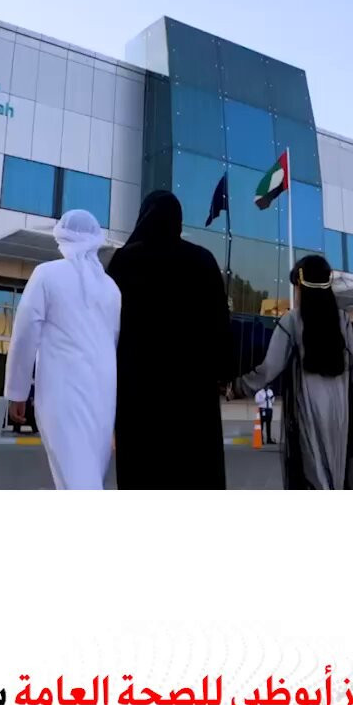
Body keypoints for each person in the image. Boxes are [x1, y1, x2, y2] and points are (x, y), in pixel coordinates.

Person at [108, 191, 233, 489]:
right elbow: (221, 326)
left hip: (139, 397)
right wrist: (223, 373)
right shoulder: (202, 260)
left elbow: (106, 330)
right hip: (193, 397)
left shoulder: (124, 262)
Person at [234, 254, 353, 490]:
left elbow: (269, 369)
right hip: (340, 417)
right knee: (336, 479)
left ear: (301, 287)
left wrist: (236, 387)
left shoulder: (292, 322)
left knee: (315, 480)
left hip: (309, 416)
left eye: (296, 288)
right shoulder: (342, 320)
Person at [4, 210, 120, 489]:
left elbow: (24, 335)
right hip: (104, 393)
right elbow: (114, 341)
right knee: (90, 469)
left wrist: (18, 392)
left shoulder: (47, 274)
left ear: (62, 238)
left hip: (62, 392)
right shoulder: (111, 288)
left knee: (76, 477)